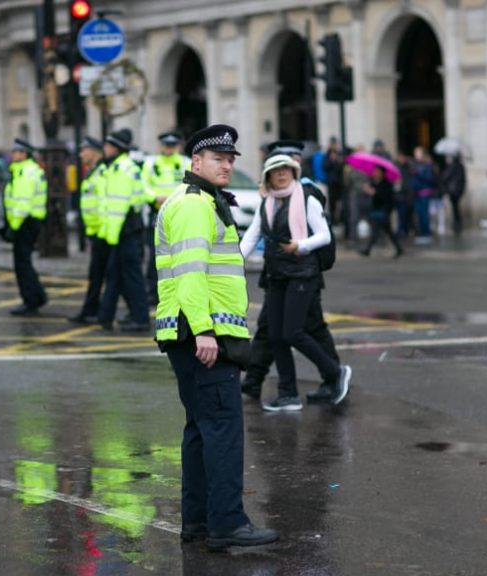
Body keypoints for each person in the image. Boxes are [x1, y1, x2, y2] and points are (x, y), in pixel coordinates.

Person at [154, 124, 278, 550]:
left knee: (201, 430)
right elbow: (191, 274)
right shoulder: (193, 206)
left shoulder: (200, 201)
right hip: (203, 334)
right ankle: (227, 523)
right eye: (218, 159)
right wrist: (204, 330)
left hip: (191, 332)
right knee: (222, 427)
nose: (226, 165)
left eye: (230, 159)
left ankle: (200, 523)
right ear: (196, 163)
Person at [240, 154, 350, 411]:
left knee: (293, 332)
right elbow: (250, 237)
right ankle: (288, 394)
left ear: (294, 172)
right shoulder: (266, 204)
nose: (281, 174)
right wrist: (231, 262)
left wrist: (300, 246)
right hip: (277, 274)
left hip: (303, 273)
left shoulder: (307, 198)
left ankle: (335, 372)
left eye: (286, 170)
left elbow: (324, 235)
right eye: (276, 171)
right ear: (268, 177)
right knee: (276, 337)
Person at [97, 129, 149, 332]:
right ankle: (106, 316)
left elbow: (118, 207)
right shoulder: (120, 166)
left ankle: (140, 318)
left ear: (115, 148)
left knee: (131, 276)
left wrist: (110, 236)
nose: (105, 149)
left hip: (125, 230)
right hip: (124, 230)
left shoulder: (121, 168)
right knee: (116, 274)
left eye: (108, 146)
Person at [142, 132, 190, 304]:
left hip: (178, 214)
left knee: (178, 254)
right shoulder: (151, 163)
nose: (169, 148)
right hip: (157, 213)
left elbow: (189, 185)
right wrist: (154, 198)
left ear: (178, 146)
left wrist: (172, 199)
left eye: (172, 145)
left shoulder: (185, 162)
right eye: (166, 145)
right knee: (156, 255)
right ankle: (153, 292)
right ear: (161, 145)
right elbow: (144, 185)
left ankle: (176, 291)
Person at [4, 139, 49, 316]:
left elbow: (22, 203)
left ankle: (31, 301)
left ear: (24, 154)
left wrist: (13, 228)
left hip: (24, 223)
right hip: (28, 222)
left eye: (16, 152)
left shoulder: (25, 172)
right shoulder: (28, 170)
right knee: (25, 263)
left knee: (22, 264)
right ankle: (37, 296)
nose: (12, 155)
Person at [69, 137, 108, 325]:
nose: (80, 154)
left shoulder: (102, 172)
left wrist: (101, 230)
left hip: (103, 232)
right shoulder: (93, 171)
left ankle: (96, 312)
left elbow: (104, 203)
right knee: (100, 275)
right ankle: (93, 311)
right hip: (96, 232)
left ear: (94, 152)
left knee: (107, 275)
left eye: (84, 150)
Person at [359, 166, 403, 257]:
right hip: (376, 210)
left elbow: (386, 196)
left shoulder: (386, 184)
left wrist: (375, 192)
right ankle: (399, 248)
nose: (376, 173)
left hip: (384, 210)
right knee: (387, 230)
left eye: (378, 172)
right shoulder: (373, 183)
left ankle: (368, 249)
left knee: (378, 231)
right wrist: (367, 190)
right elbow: (368, 195)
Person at [411, 147, 437, 244]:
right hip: (417, 193)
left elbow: (429, 178)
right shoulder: (415, 165)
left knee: (424, 214)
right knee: (419, 214)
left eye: (418, 153)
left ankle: (426, 233)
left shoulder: (427, 165)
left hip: (424, 192)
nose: (416, 155)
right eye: (415, 153)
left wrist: (418, 173)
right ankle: (421, 232)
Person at [441, 153, 467, 236]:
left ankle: (457, 222)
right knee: (456, 207)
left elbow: (445, 176)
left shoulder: (453, 166)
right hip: (458, 190)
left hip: (453, 190)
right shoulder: (461, 166)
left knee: (455, 207)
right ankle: (458, 221)